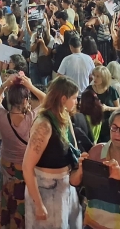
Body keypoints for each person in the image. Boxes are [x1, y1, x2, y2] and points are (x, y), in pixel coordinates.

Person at [23, 76, 82, 229]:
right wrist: (39, 204)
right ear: (63, 99)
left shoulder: (63, 115)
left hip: (66, 186)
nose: (77, 102)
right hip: (46, 190)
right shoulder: (44, 125)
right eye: (74, 98)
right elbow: (27, 167)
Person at [0, 73, 46, 228]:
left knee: (6, 199)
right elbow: (46, 100)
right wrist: (30, 85)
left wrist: (5, 84)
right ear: (25, 100)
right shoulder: (30, 118)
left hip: (6, 165)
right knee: (21, 202)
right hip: (24, 167)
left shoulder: (1, 116)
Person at [86, 65, 120, 143]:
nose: (95, 78)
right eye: (94, 75)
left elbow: (118, 107)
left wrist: (107, 108)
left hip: (107, 125)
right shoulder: (89, 90)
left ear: (104, 78)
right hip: (93, 124)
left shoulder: (111, 90)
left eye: (98, 76)